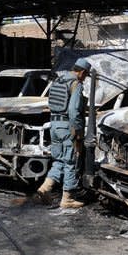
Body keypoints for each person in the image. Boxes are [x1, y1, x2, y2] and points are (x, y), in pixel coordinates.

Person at [35, 57, 91, 208]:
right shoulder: (76, 84)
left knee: (59, 160)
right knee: (71, 161)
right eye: (86, 75)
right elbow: (73, 111)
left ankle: (44, 190)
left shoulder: (58, 81)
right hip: (67, 127)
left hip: (54, 125)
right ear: (83, 72)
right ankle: (68, 199)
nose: (85, 79)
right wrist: (78, 131)